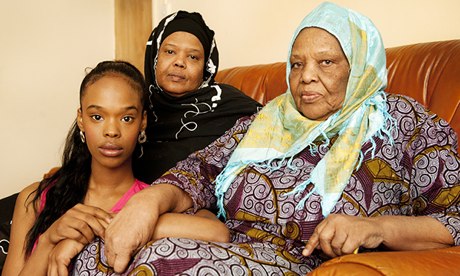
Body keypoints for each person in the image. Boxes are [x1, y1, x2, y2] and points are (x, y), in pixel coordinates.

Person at [72, 2, 460, 275]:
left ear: (358, 65)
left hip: (303, 264)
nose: (305, 76)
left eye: (326, 62)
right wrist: (148, 202)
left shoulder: (404, 122)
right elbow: (199, 170)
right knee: (91, 257)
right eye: (296, 63)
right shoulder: (267, 119)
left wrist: (377, 229)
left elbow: (455, 216)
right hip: (231, 246)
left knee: (163, 258)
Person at [2, 61, 229, 276]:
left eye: (127, 118)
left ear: (143, 122)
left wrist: (97, 227)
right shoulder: (34, 199)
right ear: (81, 119)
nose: (112, 131)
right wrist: (49, 241)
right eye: (97, 116)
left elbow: (218, 233)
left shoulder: (150, 203)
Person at [134, 10, 262, 183]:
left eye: (193, 57)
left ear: (206, 68)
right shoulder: (134, 107)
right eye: (170, 52)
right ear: (154, 56)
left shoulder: (229, 104)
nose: (179, 62)